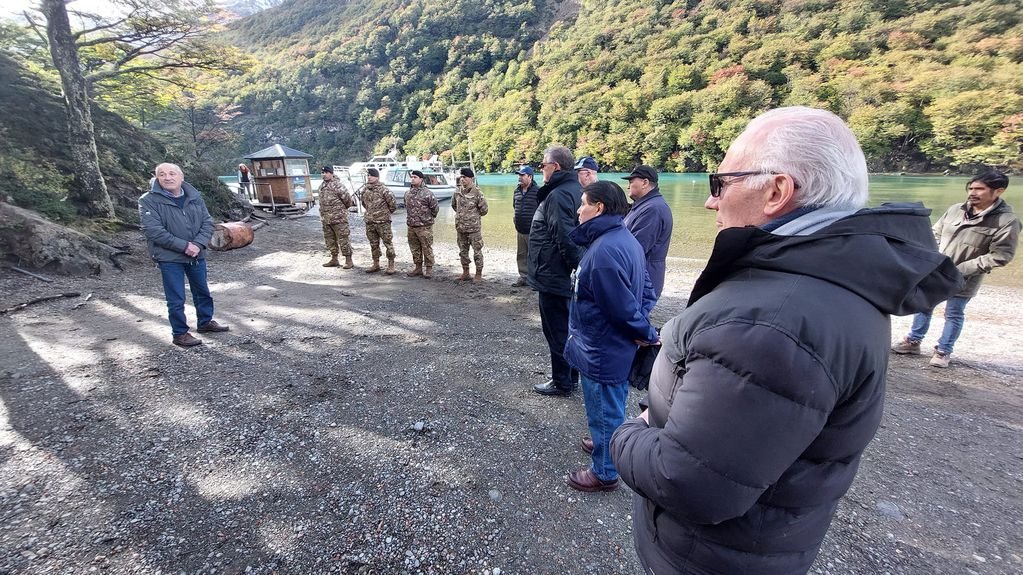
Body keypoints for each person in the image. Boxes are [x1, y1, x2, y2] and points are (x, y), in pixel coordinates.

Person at [609, 107, 960, 574]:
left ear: (777, 190)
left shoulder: (769, 323)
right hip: (757, 546)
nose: (712, 202)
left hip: (708, 559)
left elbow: (691, 484)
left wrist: (630, 431)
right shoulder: (836, 279)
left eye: (722, 183)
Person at [564, 181, 658, 492]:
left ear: (599, 207)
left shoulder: (605, 251)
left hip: (602, 348)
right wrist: (642, 324)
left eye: (583, 203)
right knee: (606, 406)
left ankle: (605, 472)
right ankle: (605, 442)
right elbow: (646, 288)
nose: (578, 210)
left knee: (605, 407)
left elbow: (620, 308)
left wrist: (645, 332)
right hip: (608, 344)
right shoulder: (622, 238)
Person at [892, 170, 1019, 367]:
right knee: (924, 305)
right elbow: (934, 233)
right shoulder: (955, 210)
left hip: (965, 277)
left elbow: (1001, 255)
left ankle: (943, 351)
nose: (972, 192)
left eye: (980, 189)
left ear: (998, 191)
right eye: (971, 188)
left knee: (953, 312)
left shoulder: (1006, 221)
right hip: (936, 269)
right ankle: (913, 341)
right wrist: (930, 256)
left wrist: (962, 269)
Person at [139, 162, 231, 347]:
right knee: (176, 297)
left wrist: (197, 244)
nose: (168, 178)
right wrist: (184, 246)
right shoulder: (148, 200)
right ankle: (180, 333)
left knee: (202, 291)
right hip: (169, 257)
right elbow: (153, 230)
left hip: (196, 253)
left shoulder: (194, 196)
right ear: (157, 178)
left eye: (172, 173)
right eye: (162, 174)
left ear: (181, 177)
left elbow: (207, 222)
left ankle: (205, 322)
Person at [529, 145, 584, 396]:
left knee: (557, 331)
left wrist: (577, 270)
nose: (542, 169)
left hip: (554, 276)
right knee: (567, 328)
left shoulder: (559, 194)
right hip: (560, 274)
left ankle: (562, 381)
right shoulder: (575, 189)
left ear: (556, 167)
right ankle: (570, 377)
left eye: (543, 165)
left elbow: (565, 238)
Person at [622, 165, 673, 300]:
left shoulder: (652, 209)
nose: (628, 187)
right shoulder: (644, 205)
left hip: (644, 279)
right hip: (641, 276)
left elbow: (636, 248)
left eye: (631, 182)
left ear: (645, 182)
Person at [451, 167, 489, 282]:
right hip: (461, 228)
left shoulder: (477, 192)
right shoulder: (457, 192)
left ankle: (478, 274)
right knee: (463, 251)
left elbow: (484, 210)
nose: (462, 179)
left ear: (471, 178)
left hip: (474, 229)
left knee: (477, 252)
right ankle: (466, 272)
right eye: (461, 177)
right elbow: (454, 206)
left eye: (465, 177)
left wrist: (472, 217)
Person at [357, 167, 397, 274]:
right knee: (373, 244)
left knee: (388, 243)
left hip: (383, 222)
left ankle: (391, 264)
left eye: (371, 175)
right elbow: (364, 204)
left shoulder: (384, 190)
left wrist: (383, 214)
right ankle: (376, 263)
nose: (369, 177)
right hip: (370, 221)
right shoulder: (365, 190)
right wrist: (371, 214)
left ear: (377, 177)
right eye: (368, 175)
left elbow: (393, 205)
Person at [404, 169, 440, 278]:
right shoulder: (408, 193)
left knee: (427, 247)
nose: (413, 179)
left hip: (424, 226)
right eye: (412, 177)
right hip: (411, 225)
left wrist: (427, 219)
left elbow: (435, 208)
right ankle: (418, 268)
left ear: (421, 179)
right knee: (414, 247)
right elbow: (406, 206)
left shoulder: (427, 193)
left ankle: (429, 269)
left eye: (415, 177)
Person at [318, 166, 355, 269]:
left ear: (331, 173)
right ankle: (334, 259)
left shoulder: (338, 186)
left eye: (326, 172)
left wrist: (340, 211)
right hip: (326, 219)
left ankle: (348, 260)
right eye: (322, 172)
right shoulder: (321, 186)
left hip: (339, 218)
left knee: (343, 239)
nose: (324, 174)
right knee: (330, 240)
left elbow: (348, 201)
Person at [512, 165, 539, 287]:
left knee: (534, 255)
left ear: (530, 177)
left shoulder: (538, 191)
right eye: (519, 175)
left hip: (533, 230)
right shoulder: (516, 190)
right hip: (520, 228)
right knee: (521, 254)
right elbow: (514, 206)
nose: (520, 177)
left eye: (522, 175)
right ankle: (523, 277)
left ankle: (534, 279)